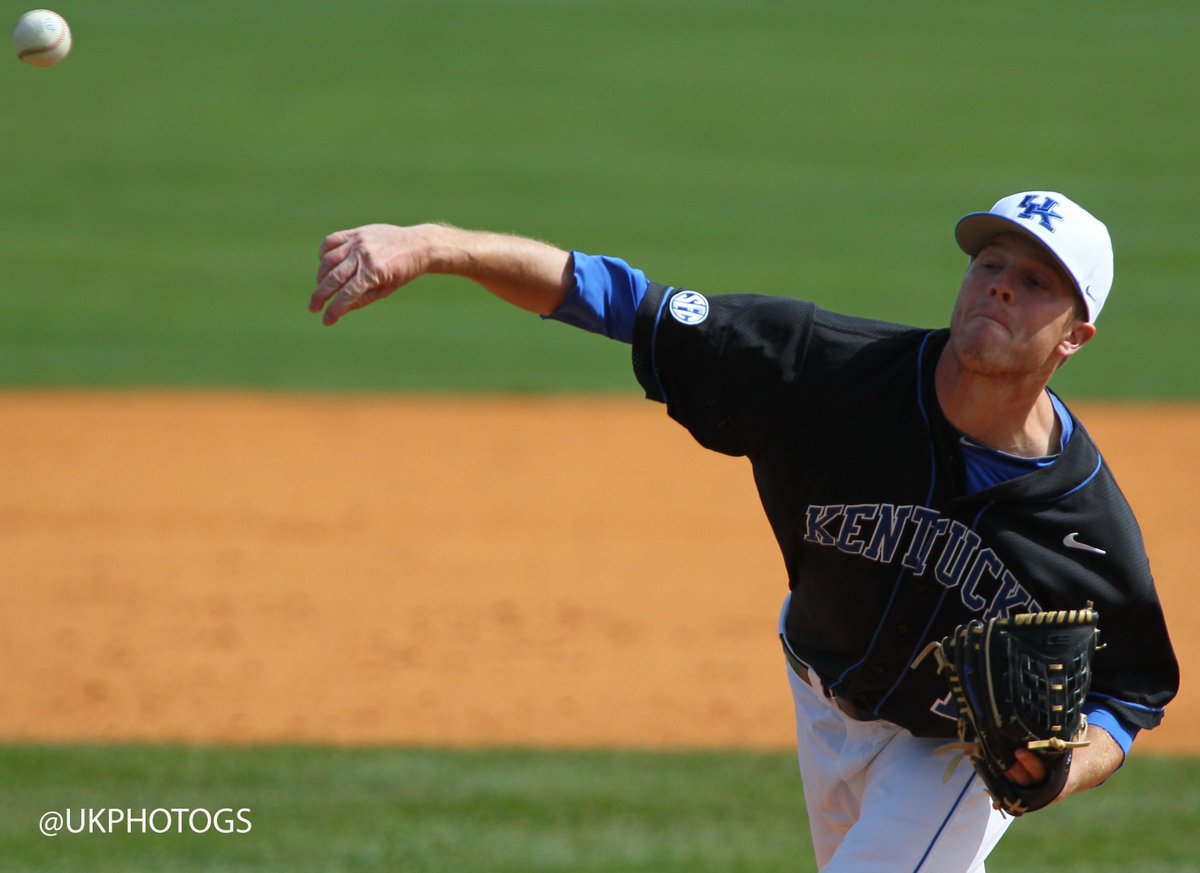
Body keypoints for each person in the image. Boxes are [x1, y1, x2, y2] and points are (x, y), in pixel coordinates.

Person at [309, 191, 1178, 872]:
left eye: (1036, 283)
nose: (1000, 284)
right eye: (992, 262)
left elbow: (1133, 691)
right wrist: (431, 245)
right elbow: (622, 300)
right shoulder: (824, 368)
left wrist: (1066, 768)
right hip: (817, 696)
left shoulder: (1085, 523)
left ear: (1076, 335)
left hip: (949, 754)